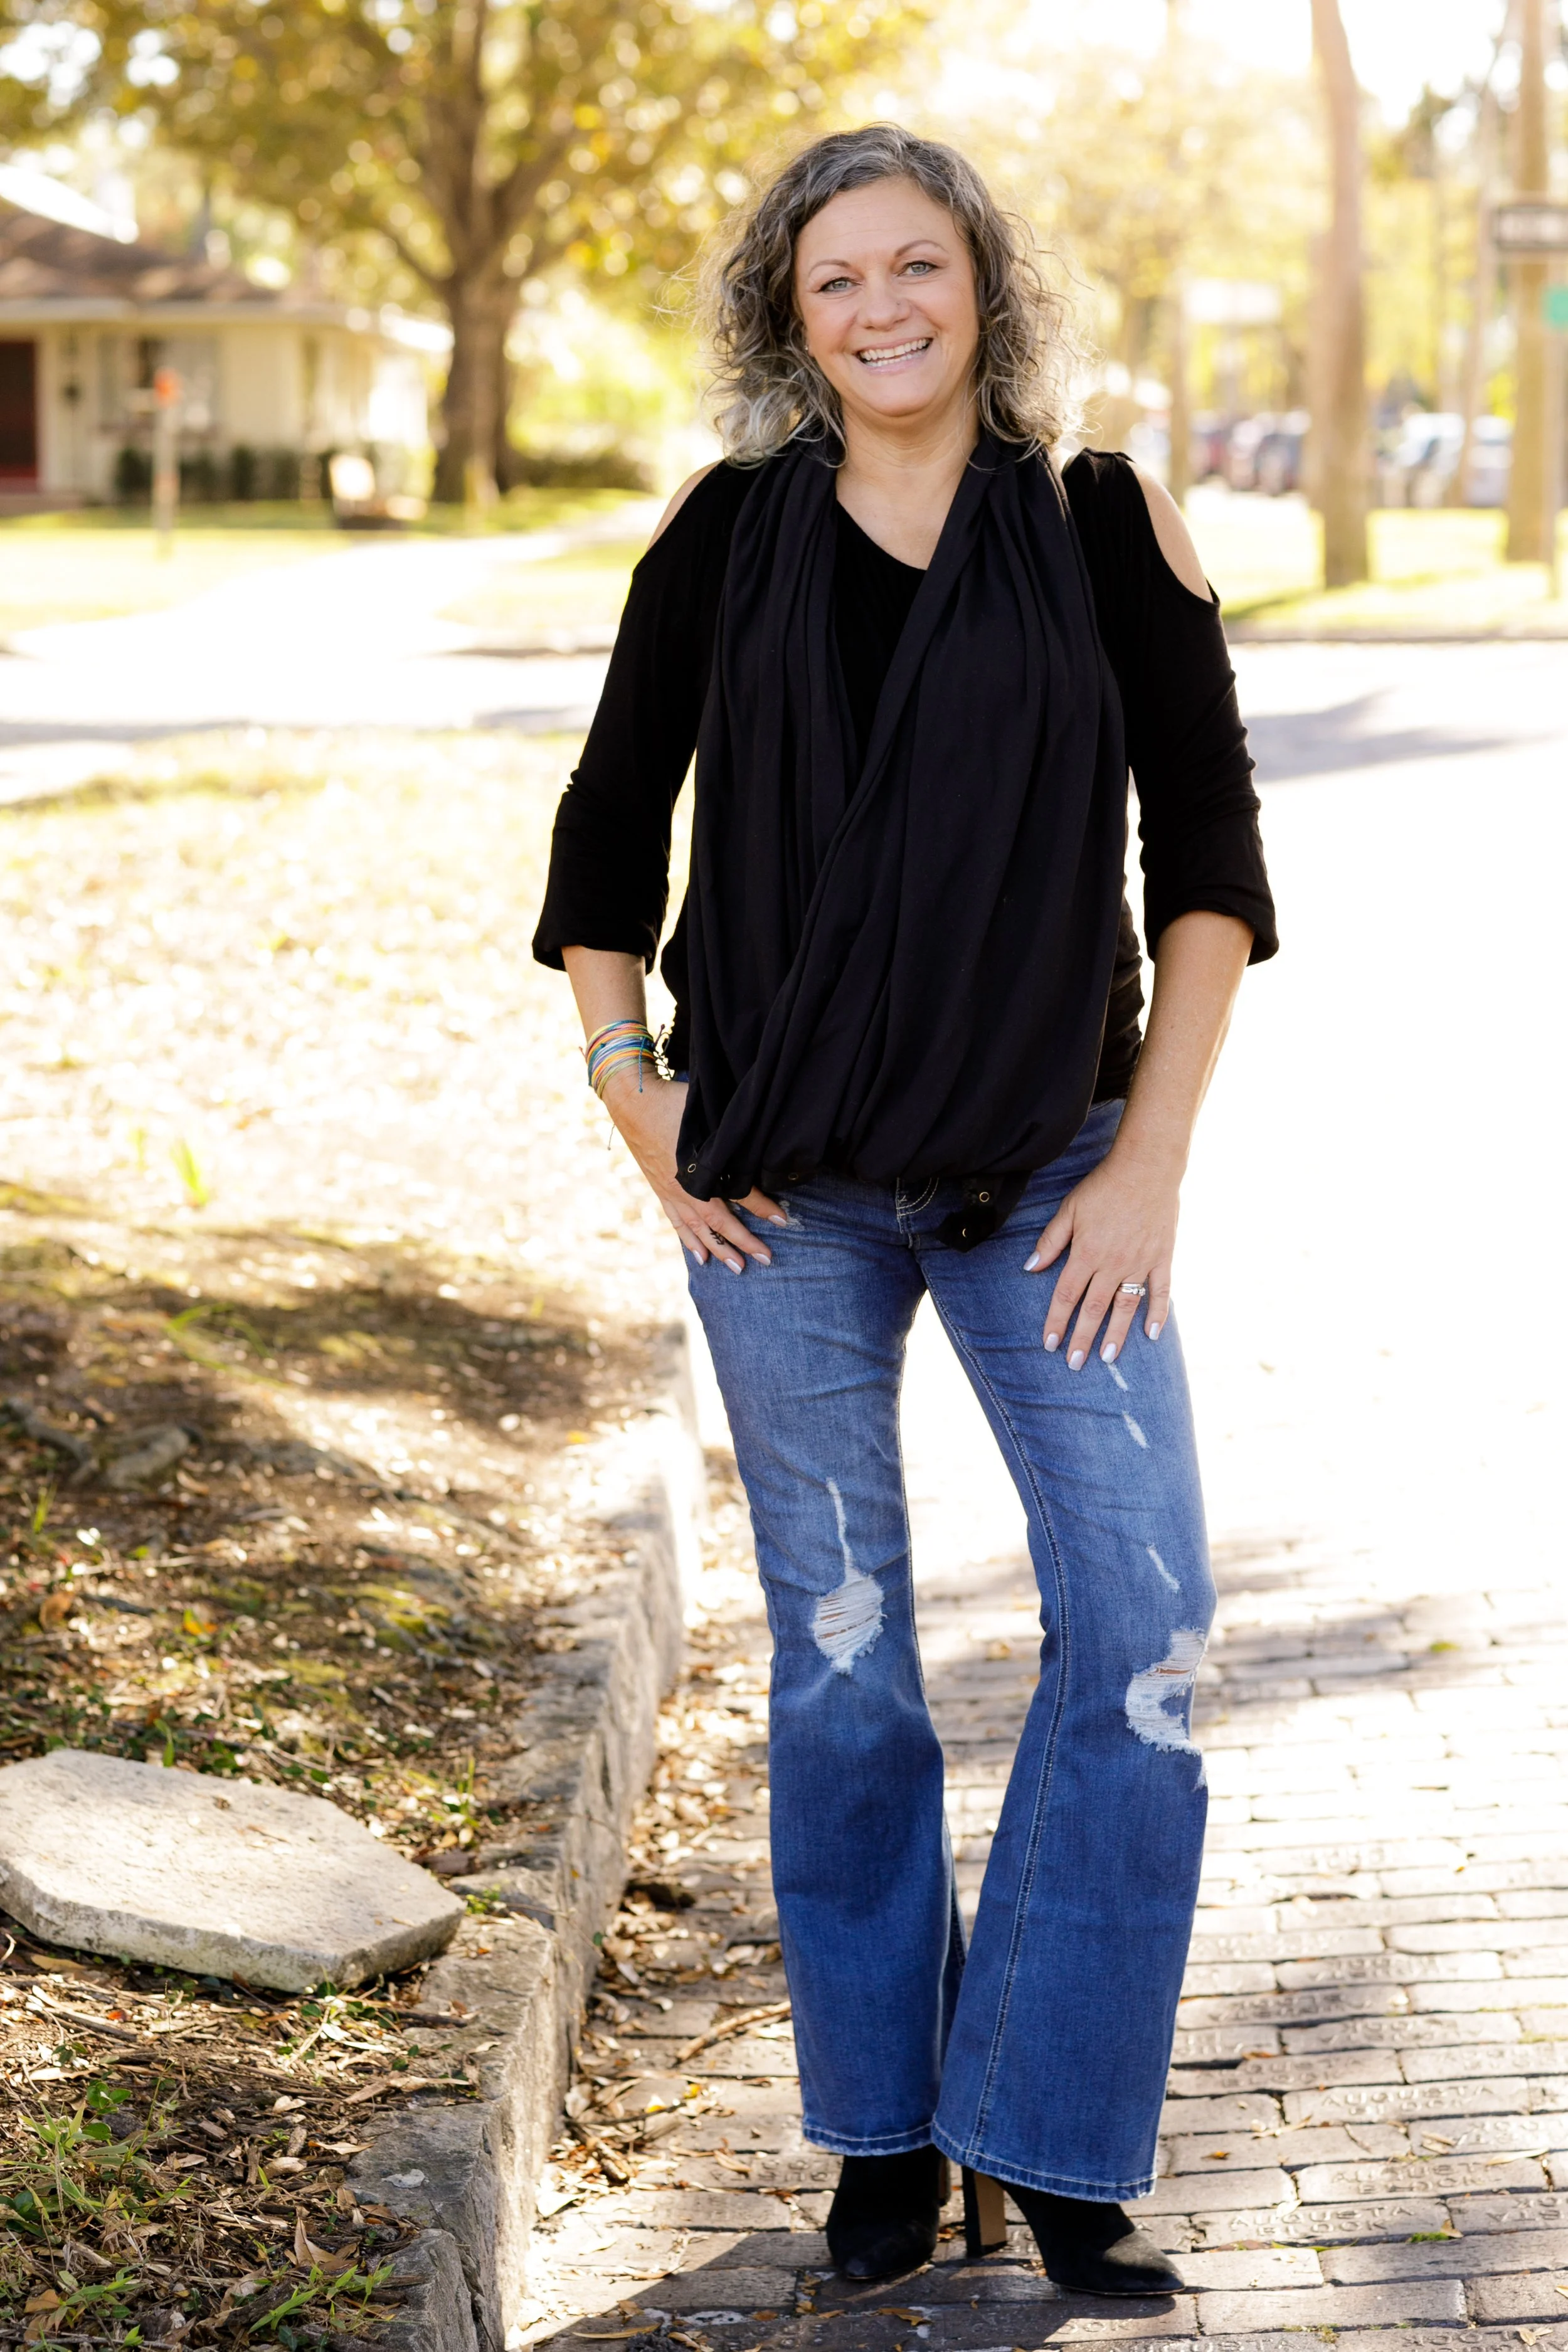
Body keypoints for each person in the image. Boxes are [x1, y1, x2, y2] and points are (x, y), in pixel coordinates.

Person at [533, 124, 1276, 2294]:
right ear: (788, 309)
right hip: (783, 1188)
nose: (881, 307)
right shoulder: (724, 538)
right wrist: (631, 1098)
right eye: (834, 276)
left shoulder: (1100, 521)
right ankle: (877, 2127)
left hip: (1053, 1161)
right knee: (846, 1669)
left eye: (917, 266)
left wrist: (1146, 1156)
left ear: (982, 285)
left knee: (1140, 1636)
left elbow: (1210, 861)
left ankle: (1040, 2124)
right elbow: (604, 842)